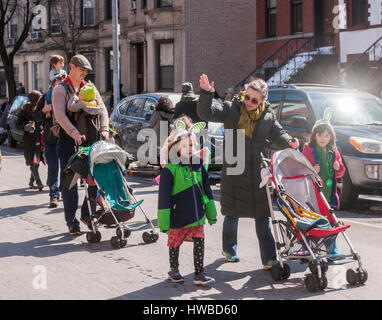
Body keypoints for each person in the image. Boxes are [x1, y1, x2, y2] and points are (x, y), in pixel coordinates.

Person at [197, 74, 299, 270]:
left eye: (255, 100)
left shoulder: (268, 116)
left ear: (263, 100)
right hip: (234, 169)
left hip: (257, 172)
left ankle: (269, 258)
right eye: (247, 97)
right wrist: (206, 93)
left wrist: (289, 141)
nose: (249, 102)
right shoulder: (230, 108)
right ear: (243, 94)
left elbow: (278, 133)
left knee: (262, 217)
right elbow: (206, 113)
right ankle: (229, 249)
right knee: (232, 214)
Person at [52, 54, 109, 235]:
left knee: (94, 180)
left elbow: (102, 110)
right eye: (82, 69)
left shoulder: (89, 87)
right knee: (70, 183)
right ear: (72, 68)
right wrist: (74, 133)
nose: (85, 73)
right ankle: (71, 221)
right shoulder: (60, 89)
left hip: (91, 140)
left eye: (87, 71)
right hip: (69, 141)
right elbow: (60, 116)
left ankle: (87, 214)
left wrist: (105, 129)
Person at [158, 115, 217, 285]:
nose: (189, 148)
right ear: (176, 148)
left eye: (191, 145)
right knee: (175, 243)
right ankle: (174, 269)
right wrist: (163, 222)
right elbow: (163, 199)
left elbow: (207, 191)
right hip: (178, 216)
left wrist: (211, 213)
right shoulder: (170, 169)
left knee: (200, 241)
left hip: (197, 214)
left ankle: (199, 273)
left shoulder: (199, 166)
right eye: (184, 146)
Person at [302, 119, 345, 257]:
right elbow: (301, 169)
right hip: (313, 194)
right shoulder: (308, 150)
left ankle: (332, 250)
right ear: (314, 135)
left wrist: (338, 168)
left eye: (327, 135)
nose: (323, 138)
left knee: (332, 222)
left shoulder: (333, 150)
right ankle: (307, 247)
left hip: (329, 193)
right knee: (313, 222)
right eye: (320, 135)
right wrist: (311, 169)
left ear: (331, 137)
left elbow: (340, 172)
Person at [16, 90, 44, 191]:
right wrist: (25, 127)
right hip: (29, 142)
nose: (42, 99)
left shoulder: (40, 109)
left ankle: (31, 183)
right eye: (40, 98)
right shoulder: (24, 111)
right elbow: (17, 125)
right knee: (34, 163)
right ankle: (39, 183)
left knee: (36, 163)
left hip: (38, 140)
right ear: (35, 99)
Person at [42, 77, 61, 208]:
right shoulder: (45, 98)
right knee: (53, 167)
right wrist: (44, 110)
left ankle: (62, 191)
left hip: (67, 139)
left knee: (67, 170)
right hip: (51, 139)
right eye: (58, 85)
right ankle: (54, 195)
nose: (60, 88)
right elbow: (36, 116)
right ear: (52, 86)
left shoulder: (69, 97)